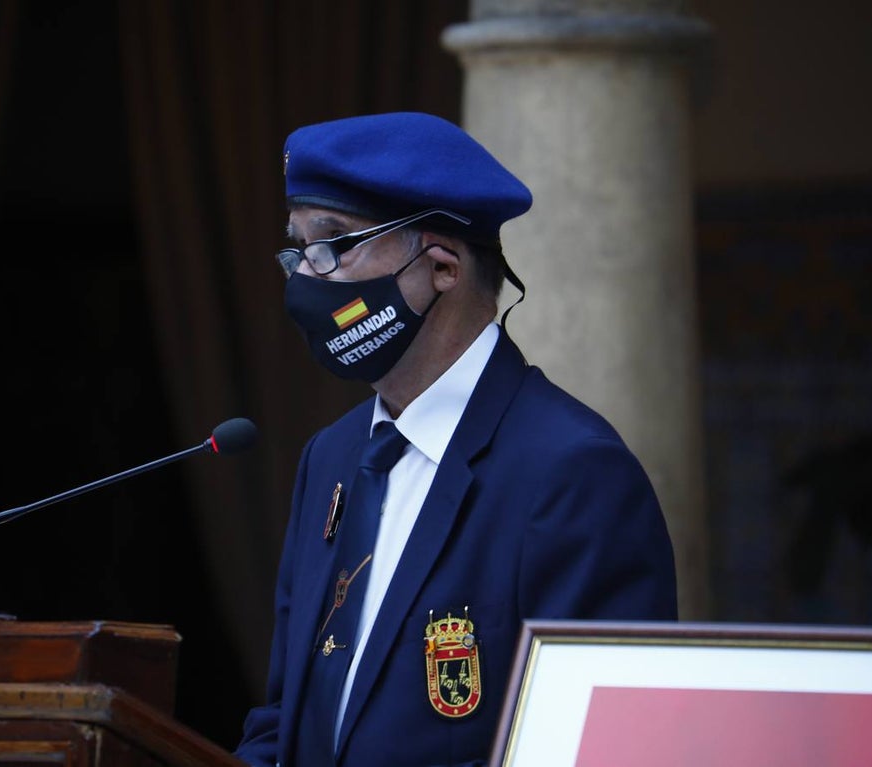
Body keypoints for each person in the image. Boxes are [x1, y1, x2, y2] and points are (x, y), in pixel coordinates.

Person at [236, 112, 677, 767]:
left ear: (440, 265)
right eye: (296, 249)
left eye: (333, 243)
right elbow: (283, 718)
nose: (306, 276)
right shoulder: (330, 457)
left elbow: (596, 746)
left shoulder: (573, 471)